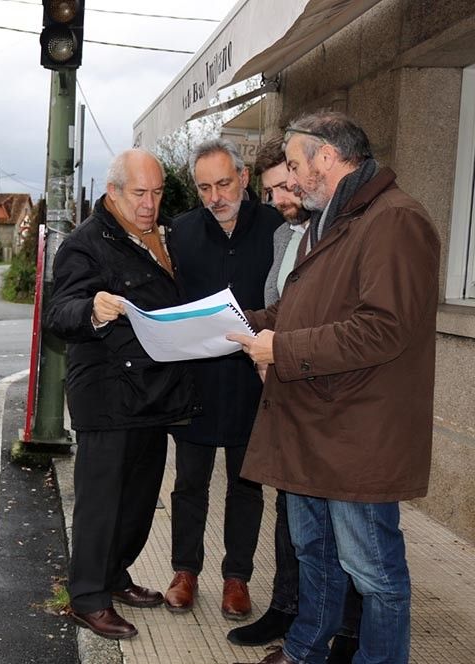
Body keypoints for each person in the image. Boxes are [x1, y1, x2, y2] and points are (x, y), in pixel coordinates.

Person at [229, 111, 440, 664]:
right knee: (315, 553)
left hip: (356, 435)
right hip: (313, 425)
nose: (292, 181)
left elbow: (383, 328)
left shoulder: (394, 220)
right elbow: (299, 312)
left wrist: (283, 350)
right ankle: (305, 651)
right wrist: (235, 323)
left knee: (373, 572)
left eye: (295, 166)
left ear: (327, 156)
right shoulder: (335, 219)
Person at [43, 148, 200, 640]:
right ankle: (87, 597)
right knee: (100, 503)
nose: (150, 204)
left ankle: (115, 575)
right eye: (139, 194)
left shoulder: (164, 237)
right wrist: (92, 306)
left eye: (156, 193)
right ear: (113, 192)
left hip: (156, 393)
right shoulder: (86, 245)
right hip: (108, 395)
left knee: (137, 501)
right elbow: (58, 312)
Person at [227, 138, 362, 663]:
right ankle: (292, 613)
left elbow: (358, 327)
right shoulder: (288, 235)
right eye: (272, 191)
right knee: (298, 525)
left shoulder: (344, 233)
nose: (283, 196)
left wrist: (278, 347)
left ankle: (347, 634)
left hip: (331, 405)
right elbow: (277, 306)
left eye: (288, 184)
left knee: (352, 541)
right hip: (288, 399)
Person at [163, 139, 281, 621]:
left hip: (253, 381)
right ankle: (185, 572)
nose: (215, 197)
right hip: (195, 380)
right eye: (205, 187)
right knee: (189, 481)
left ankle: (238, 578)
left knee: (245, 485)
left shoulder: (276, 229)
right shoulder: (182, 233)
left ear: (245, 178)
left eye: (224, 184)